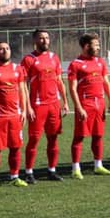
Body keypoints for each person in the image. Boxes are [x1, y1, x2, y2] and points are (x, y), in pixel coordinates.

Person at [21, 29, 69, 183]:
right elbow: (23, 86)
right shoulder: (28, 60)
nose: (45, 40)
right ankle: (29, 172)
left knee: (53, 138)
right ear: (35, 41)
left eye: (47, 38)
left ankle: (52, 170)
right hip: (37, 105)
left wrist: (65, 102)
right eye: (41, 38)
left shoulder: (54, 57)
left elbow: (59, 81)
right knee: (34, 139)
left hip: (54, 104)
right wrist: (27, 107)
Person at [67, 33, 110, 178]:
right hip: (85, 104)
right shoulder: (75, 64)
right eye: (95, 45)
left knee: (98, 135)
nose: (98, 47)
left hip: (99, 104)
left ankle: (98, 165)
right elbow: (72, 88)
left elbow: (106, 83)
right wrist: (79, 107)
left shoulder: (100, 62)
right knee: (79, 136)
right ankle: (76, 169)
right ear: (86, 46)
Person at [0, 41, 29, 191]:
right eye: (1, 49)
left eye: (7, 48)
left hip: (15, 115)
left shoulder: (18, 69)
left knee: (16, 147)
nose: (5, 51)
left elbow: (22, 90)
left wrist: (24, 110)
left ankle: (14, 177)